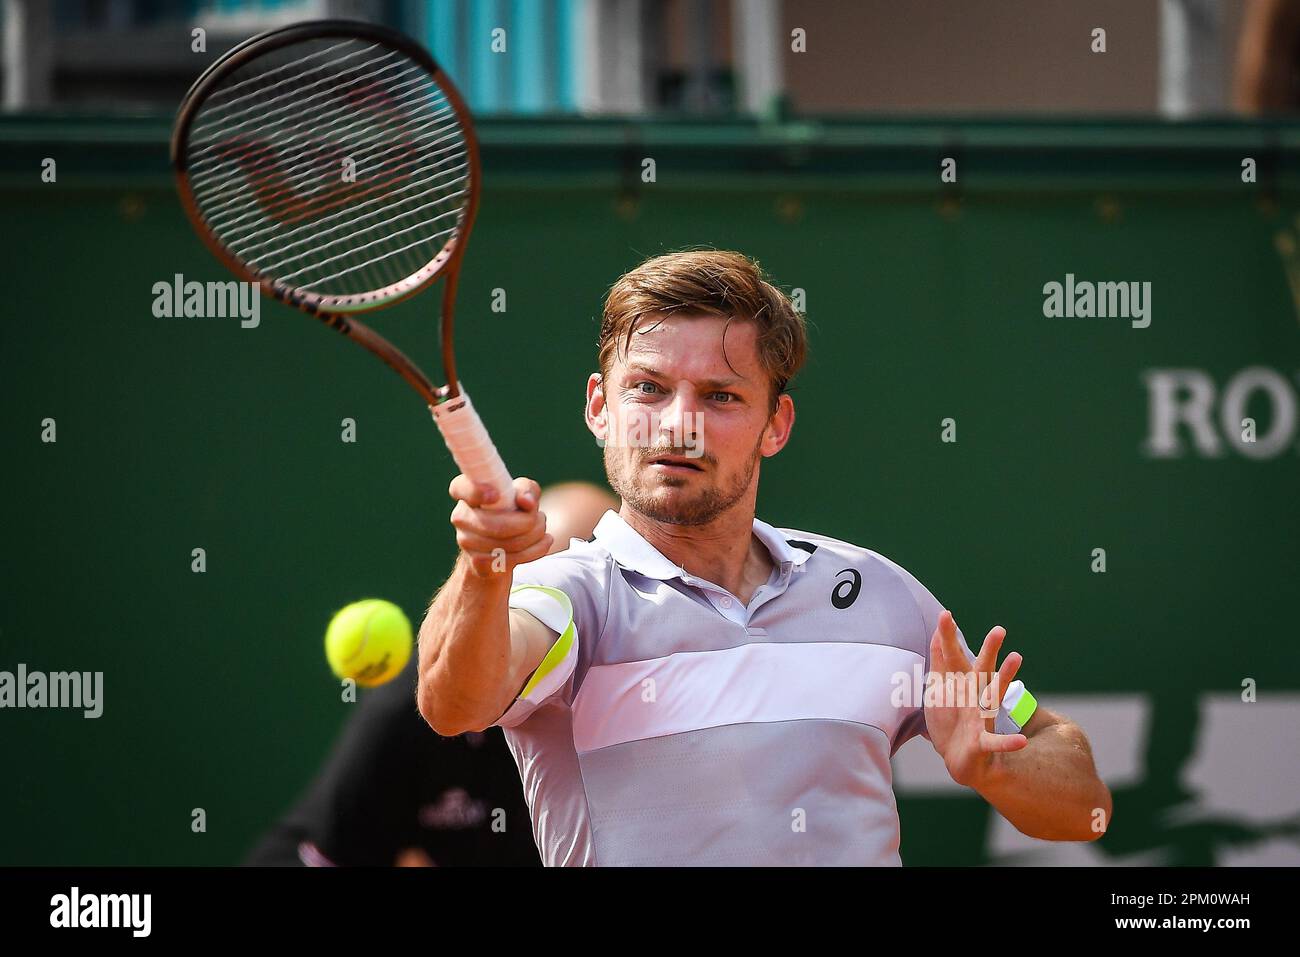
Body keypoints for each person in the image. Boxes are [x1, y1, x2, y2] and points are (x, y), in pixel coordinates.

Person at [417, 250, 1112, 866]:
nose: (679, 422)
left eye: (720, 396)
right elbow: (455, 703)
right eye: (648, 388)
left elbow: (1085, 805)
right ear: (600, 406)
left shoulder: (875, 593)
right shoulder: (567, 598)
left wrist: (1000, 771)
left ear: (775, 425)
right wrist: (485, 567)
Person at [245, 481, 617, 867]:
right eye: (536, 594)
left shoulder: (646, 700)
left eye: (586, 597)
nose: (552, 623)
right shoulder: (417, 703)